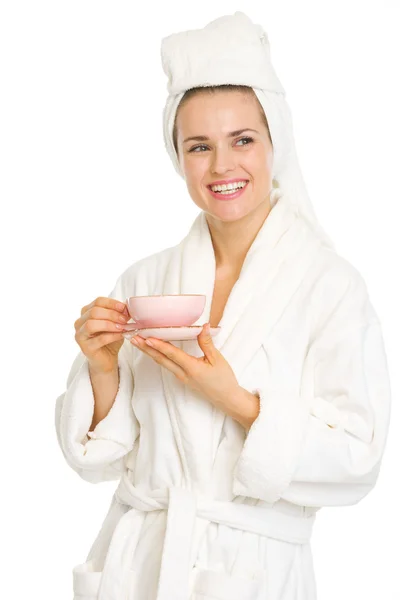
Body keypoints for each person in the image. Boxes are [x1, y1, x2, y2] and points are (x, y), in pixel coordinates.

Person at [55, 11, 391, 600]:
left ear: (273, 143)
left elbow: (358, 457)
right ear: (177, 156)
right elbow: (103, 459)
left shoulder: (331, 285)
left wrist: (235, 399)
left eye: (242, 140)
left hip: (252, 572)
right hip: (140, 566)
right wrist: (103, 370)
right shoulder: (147, 277)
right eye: (198, 146)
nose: (221, 166)